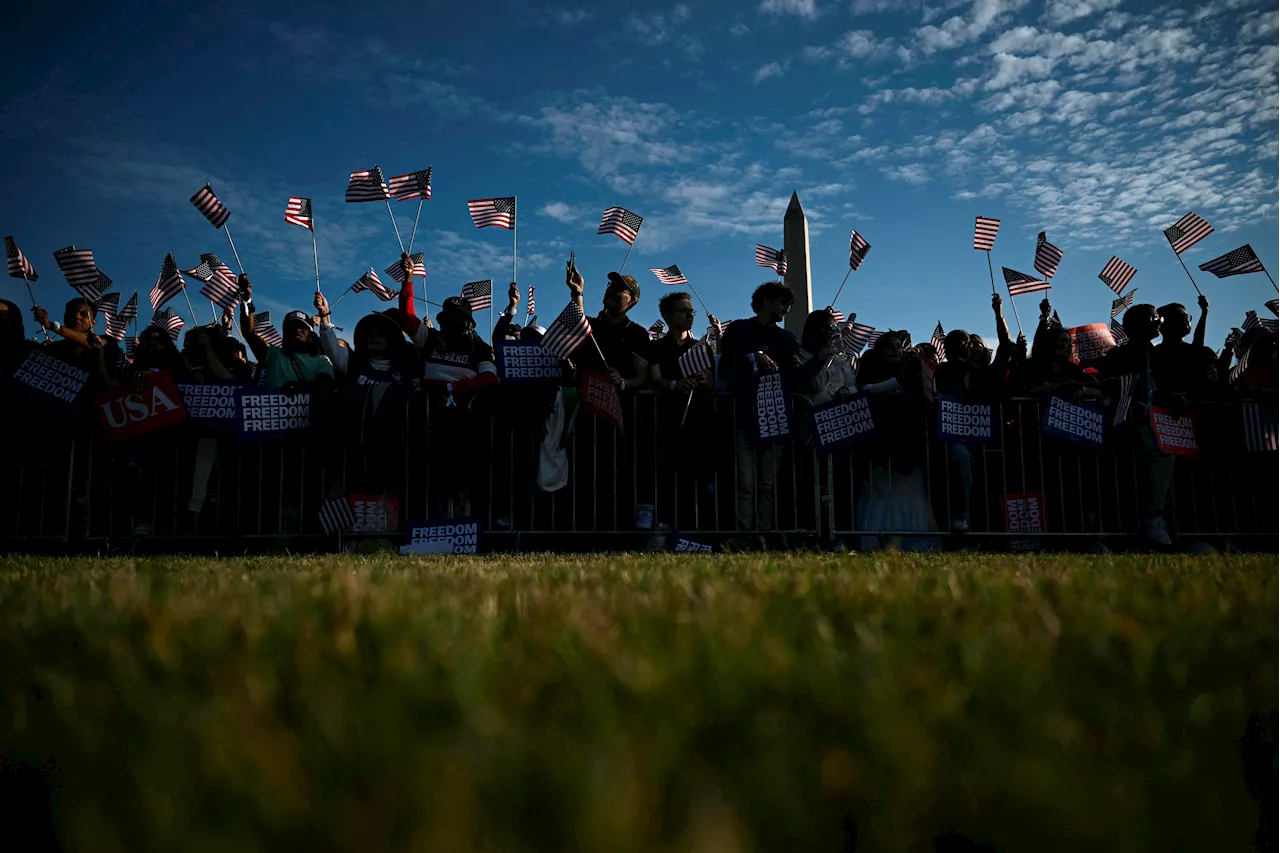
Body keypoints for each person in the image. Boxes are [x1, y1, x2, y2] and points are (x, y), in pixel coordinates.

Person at [392, 254, 497, 517]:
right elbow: (406, 317)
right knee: (426, 465)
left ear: (469, 322)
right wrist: (408, 279)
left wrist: (454, 389)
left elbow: (490, 378)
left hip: (463, 415)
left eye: (458, 320)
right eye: (447, 319)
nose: (452, 325)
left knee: (461, 466)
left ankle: (461, 513)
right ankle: (429, 515)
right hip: (426, 413)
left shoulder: (479, 347)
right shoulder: (431, 339)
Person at [718, 281, 825, 538]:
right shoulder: (738, 330)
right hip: (745, 416)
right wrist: (753, 356)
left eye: (789, 304)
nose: (786, 309)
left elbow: (798, 377)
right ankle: (744, 536)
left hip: (776, 418)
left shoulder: (786, 339)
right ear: (765, 301)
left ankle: (763, 536)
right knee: (745, 482)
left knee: (767, 483)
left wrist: (822, 358)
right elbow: (726, 369)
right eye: (782, 303)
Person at [1094, 303, 1174, 546]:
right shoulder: (1117, 356)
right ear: (1137, 325)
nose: (1158, 321)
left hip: (1162, 428)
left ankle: (1159, 522)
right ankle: (1135, 526)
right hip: (1126, 427)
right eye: (1153, 317)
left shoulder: (1161, 355)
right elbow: (1109, 387)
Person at [647, 291, 717, 530]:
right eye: (683, 311)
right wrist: (675, 384)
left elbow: (711, 381)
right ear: (668, 316)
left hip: (699, 421)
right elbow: (656, 378)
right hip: (667, 420)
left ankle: (699, 529)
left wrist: (703, 381)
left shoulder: (701, 347)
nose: (689, 315)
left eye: (691, 311)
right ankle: (667, 525)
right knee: (667, 477)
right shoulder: (657, 347)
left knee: (699, 478)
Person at [238, 275, 334, 389]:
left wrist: (299, 387)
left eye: (302, 326)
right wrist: (246, 301)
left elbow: (324, 385)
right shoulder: (273, 355)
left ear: (311, 333)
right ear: (285, 333)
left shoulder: (322, 361)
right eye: (292, 327)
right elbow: (249, 333)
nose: (297, 329)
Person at [566, 264, 650, 391]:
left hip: (617, 405)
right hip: (582, 402)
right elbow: (579, 324)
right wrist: (577, 291)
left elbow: (642, 377)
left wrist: (623, 382)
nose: (611, 289)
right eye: (610, 285)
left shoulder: (637, 334)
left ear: (631, 301)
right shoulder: (591, 325)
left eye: (619, 288)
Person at [1153, 297, 1218, 401]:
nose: (1186, 321)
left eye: (1187, 317)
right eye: (1180, 318)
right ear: (1163, 324)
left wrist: (1204, 313)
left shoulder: (1206, 353)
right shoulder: (1153, 354)